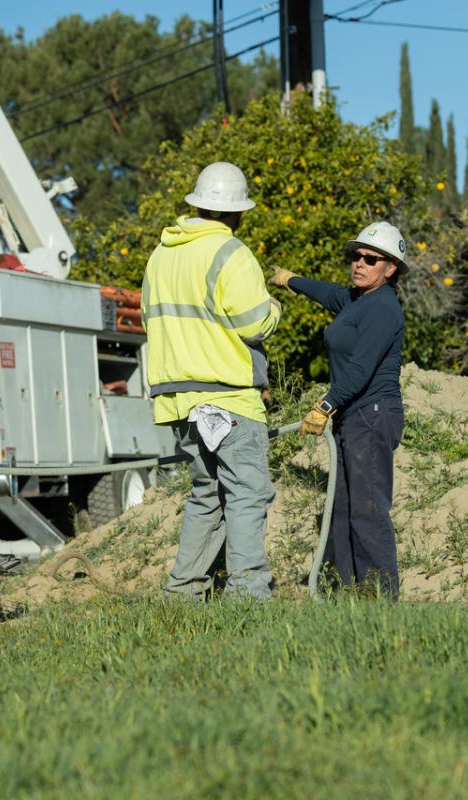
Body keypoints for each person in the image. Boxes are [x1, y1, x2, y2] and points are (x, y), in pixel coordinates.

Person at [141, 161, 282, 601]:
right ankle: (248, 596)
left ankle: (183, 592)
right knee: (247, 494)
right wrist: (274, 307)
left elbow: (150, 319)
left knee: (207, 494)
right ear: (237, 212)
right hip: (230, 399)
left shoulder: (161, 255)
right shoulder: (230, 253)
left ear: (198, 204)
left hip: (179, 401)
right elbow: (254, 324)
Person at [269, 221, 407, 596]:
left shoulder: (383, 308)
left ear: (390, 269)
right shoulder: (357, 300)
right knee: (344, 509)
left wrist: (325, 405)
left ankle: (381, 596)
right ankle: (347, 592)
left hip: (373, 414)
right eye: (355, 256)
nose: (359, 263)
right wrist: (291, 279)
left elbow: (362, 368)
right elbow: (329, 294)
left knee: (367, 509)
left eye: (370, 259)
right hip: (355, 417)